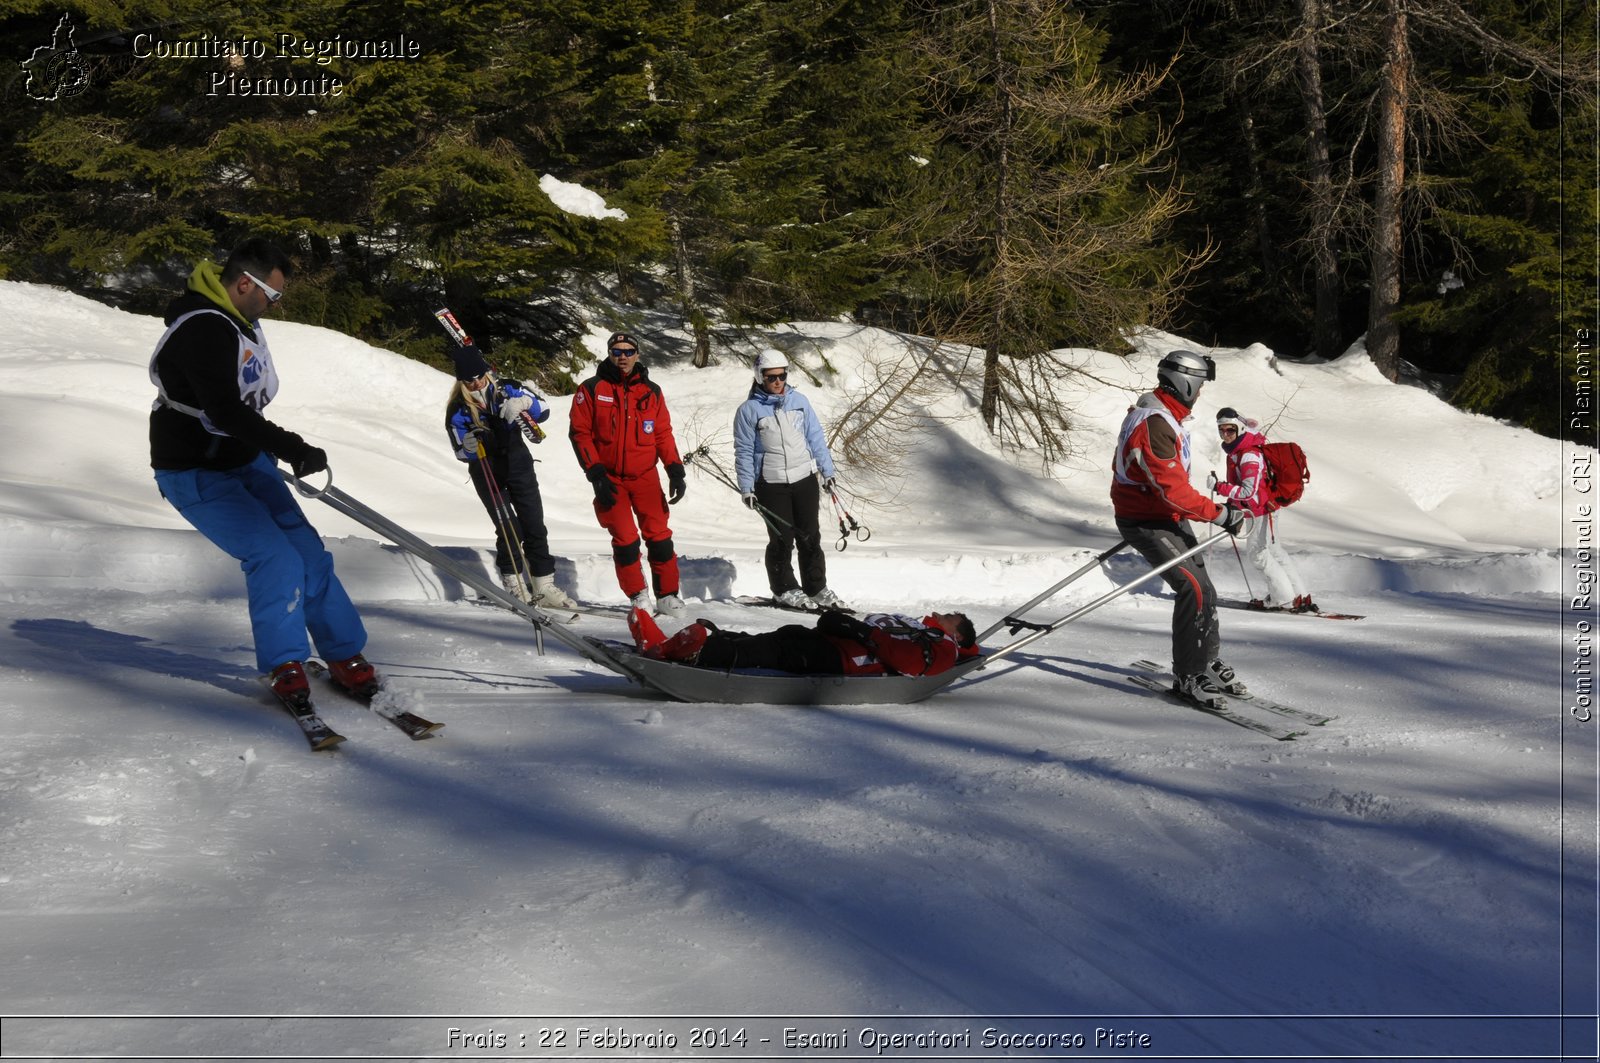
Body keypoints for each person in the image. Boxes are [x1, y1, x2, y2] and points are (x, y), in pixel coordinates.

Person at [148, 237, 376, 708]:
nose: (274, 305)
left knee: (308, 553)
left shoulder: (237, 319)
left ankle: (343, 653)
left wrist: (273, 451)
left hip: (242, 458)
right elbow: (226, 411)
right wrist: (293, 448)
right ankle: (285, 663)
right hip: (194, 468)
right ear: (245, 283)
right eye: (271, 296)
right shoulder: (203, 328)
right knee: (275, 558)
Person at [1110, 349, 1249, 708]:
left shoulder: (1163, 416)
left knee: (1205, 588)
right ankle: (1189, 675)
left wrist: (1213, 511)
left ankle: (1205, 660)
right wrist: (1220, 514)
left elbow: (1171, 490)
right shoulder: (1155, 423)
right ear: (1185, 383)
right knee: (1193, 589)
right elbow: (1172, 491)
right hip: (1146, 519)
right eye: (1199, 385)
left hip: (1163, 515)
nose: (1200, 393)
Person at [444, 342, 577, 611]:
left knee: (534, 524)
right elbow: (459, 449)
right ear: (461, 382)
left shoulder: (507, 389)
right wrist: (468, 445)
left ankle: (543, 582)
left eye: (480, 377)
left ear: (486, 373)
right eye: (469, 381)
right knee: (509, 528)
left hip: (518, 465)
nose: (476, 384)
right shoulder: (458, 409)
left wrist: (524, 403)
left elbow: (544, 409)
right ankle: (514, 581)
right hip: (487, 471)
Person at [569, 332, 688, 616]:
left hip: (645, 477)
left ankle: (667, 595)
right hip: (610, 478)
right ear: (609, 354)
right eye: (616, 352)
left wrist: (675, 469)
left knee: (659, 536)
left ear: (637, 354)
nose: (622, 357)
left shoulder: (651, 391)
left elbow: (662, 434)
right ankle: (638, 595)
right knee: (625, 540)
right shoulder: (592, 389)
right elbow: (580, 433)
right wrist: (595, 472)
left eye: (628, 351)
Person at [733, 349, 849, 610]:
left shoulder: (800, 401)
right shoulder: (749, 410)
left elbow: (815, 437)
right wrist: (747, 487)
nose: (777, 382)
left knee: (810, 536)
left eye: (782, 376)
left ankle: (816, 588)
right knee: (782, 539)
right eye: (771, 377)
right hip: (770, 484)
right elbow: (743, 450)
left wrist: (827, 471)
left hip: (804, 479)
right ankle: (784, 588)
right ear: (759, 377)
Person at [629, 608, 979, 677]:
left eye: (953, 615)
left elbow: (911, 663)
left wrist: (860, 632)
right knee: (779, 637)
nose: (943, 611)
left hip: (844, 659)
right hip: (834, 641)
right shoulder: (922, 625)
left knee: (778, 652)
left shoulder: (944, 648)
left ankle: (692, 655)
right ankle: (684, 642)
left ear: (958, 633)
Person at [1211, 407, 1315, 613]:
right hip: (1263, 508)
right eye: (1221, 430)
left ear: (1240, 429)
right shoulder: (1240, 451)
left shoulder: (1248, 454)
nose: (1225, 434)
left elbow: (1249, 491)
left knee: (1258, 553)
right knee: (1273, 551)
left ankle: (1282, 598)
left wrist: (1220, 487)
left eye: (1230, 430)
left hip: (1260, 510)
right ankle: (1298, 595)